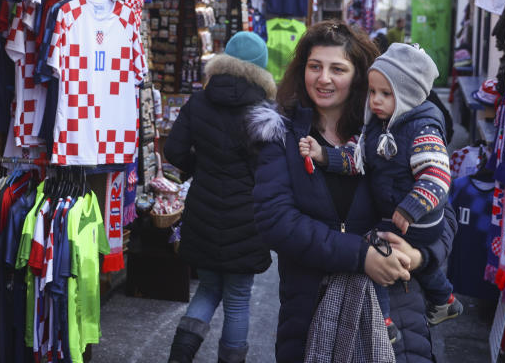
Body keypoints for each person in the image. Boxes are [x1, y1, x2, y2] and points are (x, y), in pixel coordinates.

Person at [249, 20, 456, 362]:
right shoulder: (282, 135)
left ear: (360, 75)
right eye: (315, 66)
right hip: (311, 307)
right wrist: (361, 256)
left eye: (337, 68)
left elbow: (442, 208)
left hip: (397, 304)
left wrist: (421, 256)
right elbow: (276, 220)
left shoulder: (393, 131)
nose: (324, 78)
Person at [300, 43, 463, 344]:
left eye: (386, 94)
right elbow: (356, 158)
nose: (375, 100)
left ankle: (384, 324)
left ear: (408, 94)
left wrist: (410, 208)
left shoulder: (422, 129)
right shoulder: (378, 126)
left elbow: (438, 176)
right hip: (401, 215)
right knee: (404, 260)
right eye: (372, 92)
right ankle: (445, 300)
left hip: (419, 218)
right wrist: (324, 155)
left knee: (375, 251)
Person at [165, 31, 276, 363]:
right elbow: (270, 170)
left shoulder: (199, 100)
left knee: (207, 289)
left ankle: (178, 358)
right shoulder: (266, 110)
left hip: (203, 209)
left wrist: (199, 167)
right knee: (239, 299)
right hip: (248, 217)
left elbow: (174, 150)